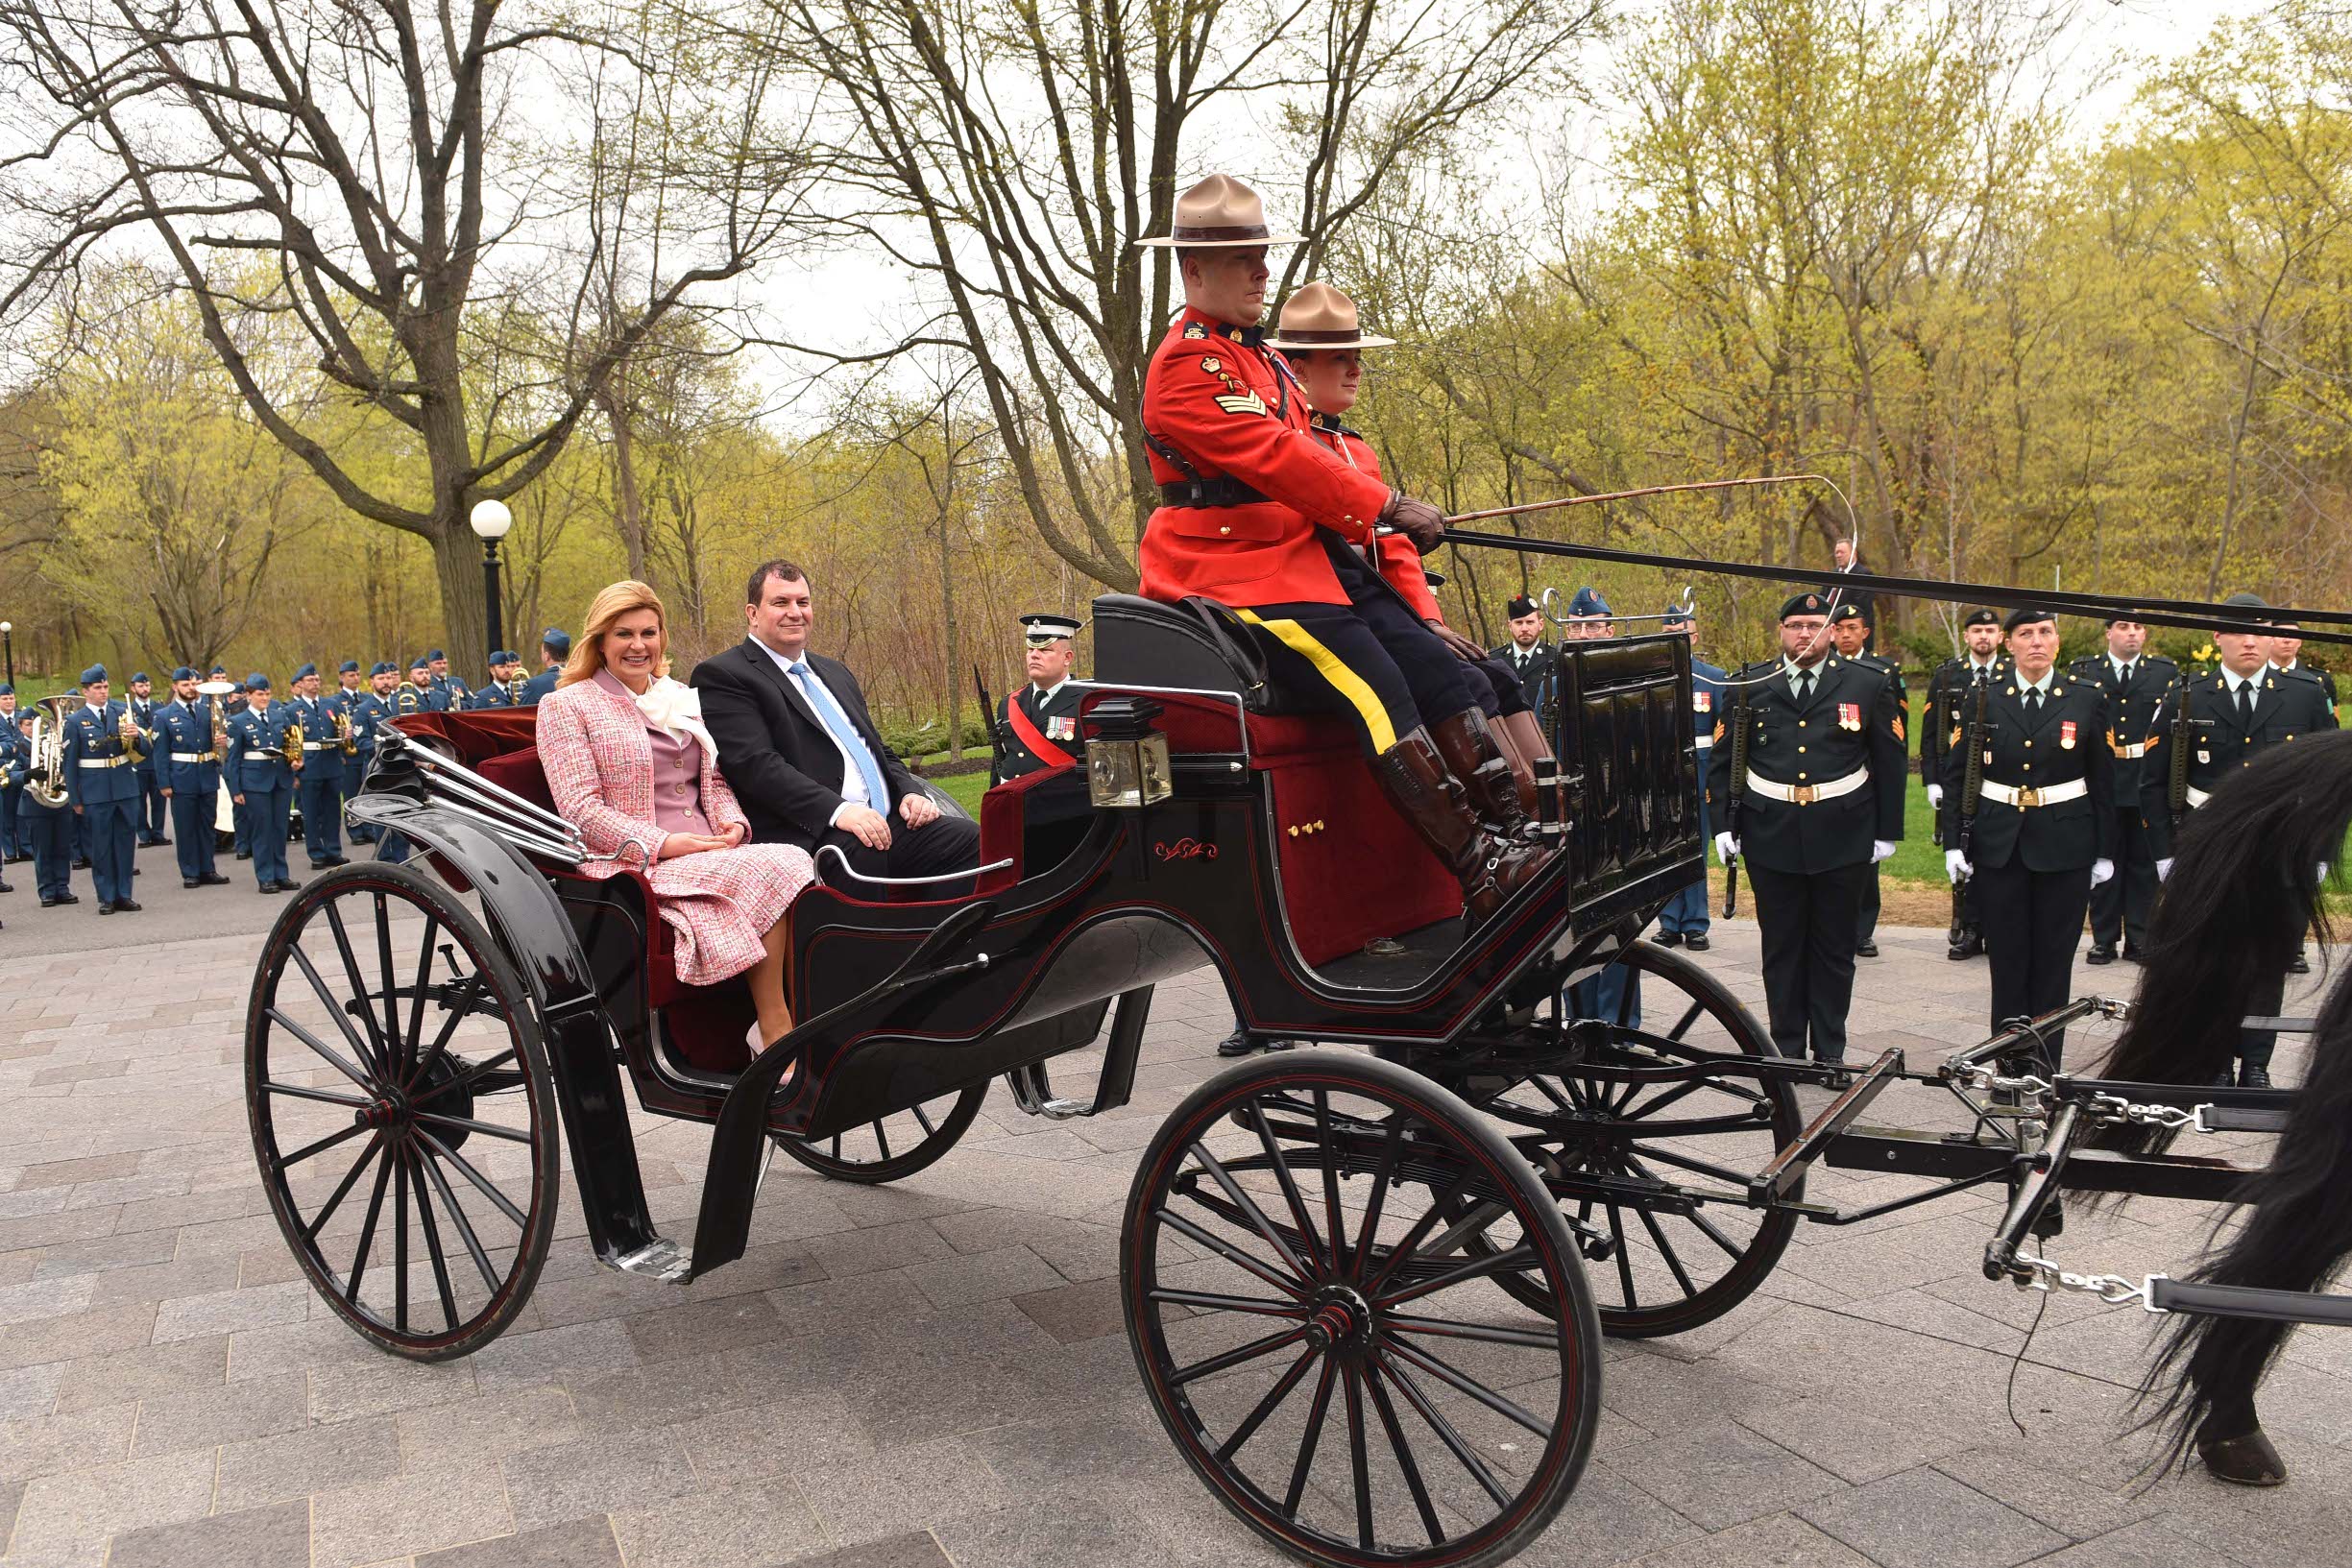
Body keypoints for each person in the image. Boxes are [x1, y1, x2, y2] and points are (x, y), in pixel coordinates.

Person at [1130, 174, 1542, 926]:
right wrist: (1382, 504)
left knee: (1434, 667)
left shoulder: (1265, 359)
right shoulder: (1187, 365)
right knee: (1376, 687)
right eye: (1243, 259)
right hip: (1234, 571)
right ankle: (1480, 868)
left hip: (1309, 559)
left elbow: (1312, 452)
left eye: (1262, 255)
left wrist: (1379, 523)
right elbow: (1275, 457)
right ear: (1193, 270)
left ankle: (1524, 838)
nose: (1261, 272)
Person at [1269, 280, 1556, 809]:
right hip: (1335, 609)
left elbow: (1395, 551)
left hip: (1388, 608)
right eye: (1340, 359)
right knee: (1451, 680)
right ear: (1298, 369)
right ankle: (1507, 815)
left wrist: (1429, 620)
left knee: (1494, 676)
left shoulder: (1356, 449)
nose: (1355, 369)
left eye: (1357, 357)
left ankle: (1546, 801)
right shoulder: (1291, 451)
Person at [544, 581, 819, 1049]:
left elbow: (711, 780)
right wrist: (664, 844)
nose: (638, 646)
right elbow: (580, 809)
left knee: (799, 859)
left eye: (648, 633)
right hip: (631, 861)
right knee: (785, 863)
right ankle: (772, 1028)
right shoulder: (567, 706)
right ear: (600, 642)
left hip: (709, 849)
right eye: (623, 634)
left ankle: (810, 1012)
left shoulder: (679, 696)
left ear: (662, 638)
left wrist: (733, 823)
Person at [1708, 591, 1905, 1082]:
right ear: (1781, 631)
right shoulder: (1750, 684)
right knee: (1781, 946)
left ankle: (1831, 1052)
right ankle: (1787, 1050)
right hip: (1770, 829)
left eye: (1814, 625)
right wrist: (1722, 825)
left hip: (1844, 831)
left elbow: (1890, 760)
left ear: (1832, 631)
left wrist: (1887, 830)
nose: (1804, 634)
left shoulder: (1868, 683)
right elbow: (1723, 758)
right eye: (1794, 625)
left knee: (1835, 948)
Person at [694, 560, 982, 890]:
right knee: (864, 849)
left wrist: (910, 792)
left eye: (802, 602)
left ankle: (941, 938)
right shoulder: (724, 675)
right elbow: (757, 767)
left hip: (888, 823)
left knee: (967, 840)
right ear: (752, 613)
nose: (795, 612)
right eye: (780, 602)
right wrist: (839, 811)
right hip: (813, 830)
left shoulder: (834, 672)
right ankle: (877, 942)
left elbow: (877, 749)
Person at [2146, 592, 2337, 1086]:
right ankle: (2215, 1062)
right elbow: (2152, 781)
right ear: (2218, 638)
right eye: (2238, 629)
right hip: (2210, 852)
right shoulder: (2188, 695)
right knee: (2213, 958)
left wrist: (2320, 852)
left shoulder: (2305, 693)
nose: (2250, 639)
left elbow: (2331, 783)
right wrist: (2167, 855)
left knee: (2267, 961)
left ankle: (2255, 1062)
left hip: (2280, 851)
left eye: (2260, 628)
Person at [1939, 609, 2114, 1071]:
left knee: (2054, 966)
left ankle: (2044, 1068)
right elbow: (1959, 775)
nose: (2036, 641)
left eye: (2044, 633)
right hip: (2001, 845)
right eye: (2025, 634)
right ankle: (2008, 1068)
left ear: (2057, 642)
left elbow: (2105, 779)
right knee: (2008, 963)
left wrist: (2105, 850)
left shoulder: (2085, 698)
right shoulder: (1985, 698)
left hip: (2066, 845)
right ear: (2008, 643)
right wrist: (1955, 843)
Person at [2067, 618, 2176, 965]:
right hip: (2104, 776)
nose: (2133, 632)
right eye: (2124, 626)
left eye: (2140, 627)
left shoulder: (2163, 672)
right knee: (2104, 858)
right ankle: (2104, 939)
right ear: (2108, 633)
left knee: (2144, 862)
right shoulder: (2085, 670)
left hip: (2144, 776)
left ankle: (2141, 938)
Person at [1920, 609, 2007, 958]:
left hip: (1999, 776)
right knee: (1964, 850)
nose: (1983, 636)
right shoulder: (1947, 675)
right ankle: (1969, 928)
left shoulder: (2013, 674)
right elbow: (1931, 734)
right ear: (1966, 636)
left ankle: (1996, 927)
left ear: (2000, 636)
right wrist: (1932, 780)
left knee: (1996, 855)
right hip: (1959, 773)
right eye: (1976, 630)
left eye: (1989, 630)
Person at [1829, 602, 1905, 957]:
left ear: (1865, 632)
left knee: (1866, 860)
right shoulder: (1819, 669)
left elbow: (1894, 731)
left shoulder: (1884, 671)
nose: (1845, 634)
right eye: (1839, 628)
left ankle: (1863, 929)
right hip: (1832, 775)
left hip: (1869, 776)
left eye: (1852, 628)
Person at [2263, 622, 2340, 975]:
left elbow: (2328, 739)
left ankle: (2293, 946)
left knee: (2296, 877)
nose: (2287, 638)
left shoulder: (2316, 683)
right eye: (2280, 632)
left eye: (2294, 633)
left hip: (2299, 799)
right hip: (2262, 790)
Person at [1656, 604, 1724, 952]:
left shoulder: (1714, 679)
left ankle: (1696, 923)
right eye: (1668, 636)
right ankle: (1669, 922)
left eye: (1681, 635)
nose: (1675, 641)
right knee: (1666, 854)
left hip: (1700, 778)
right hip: (1662, 780)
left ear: (1694, 637)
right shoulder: (1649, 679)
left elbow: (1723, 736)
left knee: (1696, 854)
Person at [61, 664, 146, 914]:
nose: (103, 692)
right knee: (101, 846)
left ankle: (124, 894)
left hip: (124, 787)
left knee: (124, 843)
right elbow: (70, 763)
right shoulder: (75, 721)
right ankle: (106, 896)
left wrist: (137, 736)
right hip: (95, 791)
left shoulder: (123, 712)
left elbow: (144, 751)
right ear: (86, 691)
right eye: (98, 688)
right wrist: (75, 798)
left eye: (106, 687)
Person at [154, 666, 230, 889]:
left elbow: (217, 743)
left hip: (206, 774)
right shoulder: (164, 716)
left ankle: (208, 868)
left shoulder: (208, 712)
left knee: (207, 825)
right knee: (186, 826)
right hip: (182, 777)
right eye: (185, 684)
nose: (191, 688)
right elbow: (160, 753)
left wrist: (223, 742)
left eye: (194, 683)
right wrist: (164, 783)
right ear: (175, 687)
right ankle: (190, 871)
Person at [227, 673, 301, 893]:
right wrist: (235, 789)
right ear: (249, 695)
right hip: (254, 782)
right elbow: (233, 759)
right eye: (260, 694)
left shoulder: (280, 716)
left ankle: (281, 874)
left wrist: (295, 762)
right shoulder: (238, 722)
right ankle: (265, 876)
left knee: (280, 828)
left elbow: (290, 745)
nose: (265, 698)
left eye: (267, 694)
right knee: (262, 830)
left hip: (280, 778)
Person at [991, 614, 1085, 785]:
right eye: (1030, 649)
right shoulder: (1009, 703)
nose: (1034, 655)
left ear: (1067, 658)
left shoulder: (1086, 703)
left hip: (1062, 806)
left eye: (1044, 650)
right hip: (1015, 806)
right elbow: (1000, 762)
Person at [287, 663, 349, 870]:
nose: (315, 683)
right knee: (312, 812)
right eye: (310, 680)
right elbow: (290, 741)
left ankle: (333, 850)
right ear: (300, 684)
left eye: (317, 680)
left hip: (331, 762)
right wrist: (294, 766)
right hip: (310, 765)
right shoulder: (293, 710)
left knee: (332, 810)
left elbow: (340, 729)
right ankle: (316, 853)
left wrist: (345, 737)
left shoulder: (331, 705)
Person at [13, 706, 75, 905]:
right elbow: (6, 775)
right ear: (21, 727)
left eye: (34, 724)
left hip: (59, 800)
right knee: (43, 850)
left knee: (62, 847)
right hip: (34, 804)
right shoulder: (17, 747)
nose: (32, 728)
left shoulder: (55, 743)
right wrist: (26, 775)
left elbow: (68, 765)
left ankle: (62, 888)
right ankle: (47, 890)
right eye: (28, 725)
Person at [345, 662, 399, 845]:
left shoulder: (401, 704)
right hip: (378, 768)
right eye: (381, 678)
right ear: (372, 682)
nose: (386, 682)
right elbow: (362, 743)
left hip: (402, 768)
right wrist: (390, 746)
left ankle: (402, 861)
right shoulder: (363, 709)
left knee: (402, 816)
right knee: (382, 818)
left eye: (388, 677)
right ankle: (386, 861)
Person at [127, 671, 168, 847]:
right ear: (133, 688)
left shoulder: (159, 708)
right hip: (138, 762)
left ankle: (158, 833)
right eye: (141, 686)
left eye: (147, 685)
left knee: (159, 800)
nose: (145, 689)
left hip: (156, 761)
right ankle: (143, 834)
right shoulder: (128, 710)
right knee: (139, 801)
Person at [0, 683, 23, 863]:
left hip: (23, 768)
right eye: (5, 698)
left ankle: (24, 848)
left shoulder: (23, 716)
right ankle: (9, 852)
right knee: (6, 814)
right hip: (3, 771)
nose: (9, 701)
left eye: (11, 698)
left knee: (22, 811)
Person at [521, 629, 569, 705]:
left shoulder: (533, 685)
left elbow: (522, 715)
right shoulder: (579, 679)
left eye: (542, 652)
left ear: (546, 656)